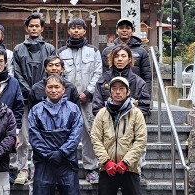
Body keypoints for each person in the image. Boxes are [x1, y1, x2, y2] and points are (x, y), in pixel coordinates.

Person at [26, 74, 85, 195]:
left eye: (57, 87)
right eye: (50, 87)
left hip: (67, 163)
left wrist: (62, 152)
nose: (53, 90)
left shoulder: (73, 109)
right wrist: (49, 154)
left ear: (63, 89)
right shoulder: (36, 110)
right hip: (44, 163)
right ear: (45, 89)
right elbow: (33, 135)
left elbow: (76, 134)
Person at [90, 76, 148, 195]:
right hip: (107, 169)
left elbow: (140, 140)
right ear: (109, 92)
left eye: (121, 89)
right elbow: (96, 139)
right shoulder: (102, 114)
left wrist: (126, 162)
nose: (117, 91)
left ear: (128, 92)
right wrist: (106, 162)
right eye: (114, 88)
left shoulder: (136, 114)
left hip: (129, 169)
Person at [12, 13, 56, 185]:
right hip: (23, 99)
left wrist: (39, 91)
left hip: (44, 98)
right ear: (26, 28)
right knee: (23, 136)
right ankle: (22, 169)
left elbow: (52, 71)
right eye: (31, 26)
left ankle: (40, 166)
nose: (34, 28)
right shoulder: (18, 49)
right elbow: (17, 73)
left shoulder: (49, 48)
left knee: (44, 134)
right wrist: (29, 91)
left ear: (42, 28)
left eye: (37, 26)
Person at [58, 17, 104, 184]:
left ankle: (91, 168)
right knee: (64, 133)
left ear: (85, 30)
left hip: (88, 100)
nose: (76, 30)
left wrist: (88, 92)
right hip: (66, 100)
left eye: (79, 28)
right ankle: (65, 168)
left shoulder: (93, 51)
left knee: (90, 133)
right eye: (73, 28)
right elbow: (58, 75)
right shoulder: (61, 52)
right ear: (68, 30)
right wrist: (69, 94)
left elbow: (98, 73)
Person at [92, 44, 151, 118]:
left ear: (129, 59)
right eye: (116, 56)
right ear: (112, 59)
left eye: (123, 56)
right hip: (107, 122)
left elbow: (144, 107)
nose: (120, 59)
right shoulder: (103, 80)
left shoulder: (139, 83)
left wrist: (129, 120)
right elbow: (97, 107)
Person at [101, 18, 152, 90]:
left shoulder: (141, 51)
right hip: (115, 91)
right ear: (117, 31)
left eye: (128, 28)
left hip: (135, 90)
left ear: (132, 31)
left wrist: (146, 93)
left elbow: (147, 76)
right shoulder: (107, 51)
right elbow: (104, 75)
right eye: (121, 28)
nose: (124, 30)